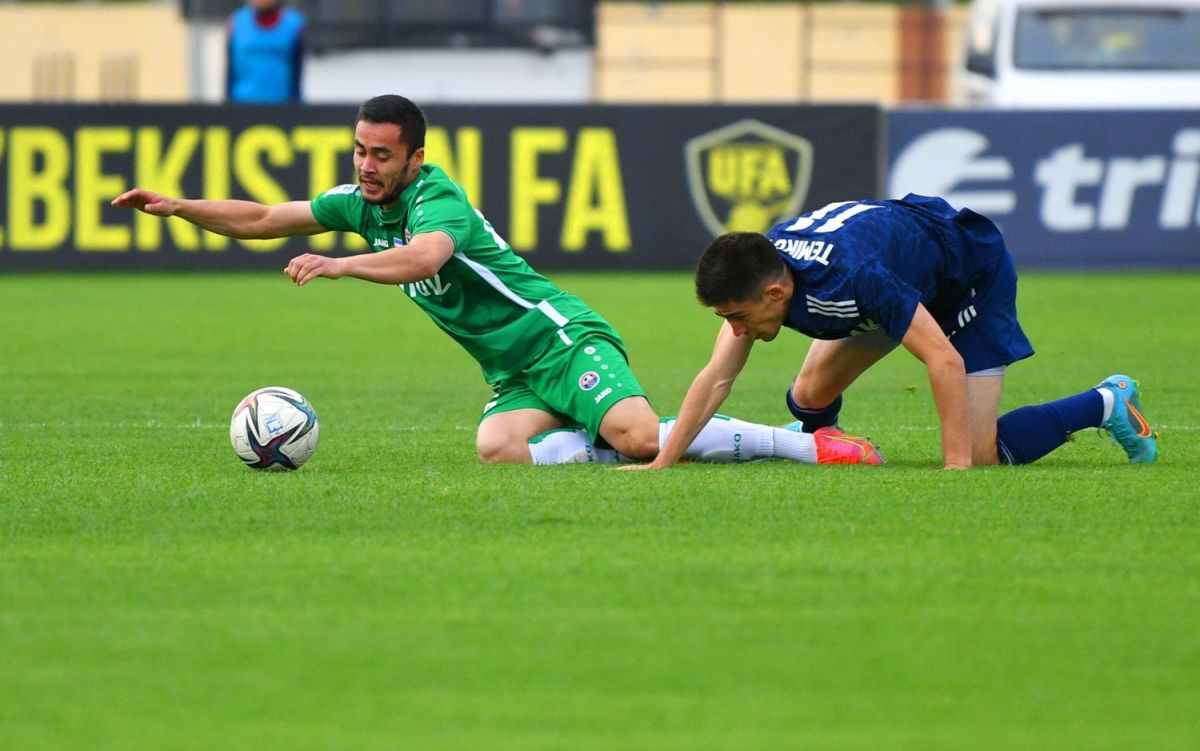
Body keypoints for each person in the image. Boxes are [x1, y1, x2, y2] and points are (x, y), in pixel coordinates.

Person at [111, 95, 883, 467]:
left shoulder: (434, 197)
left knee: (645, 439)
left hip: (555, 335)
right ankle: (604, 434)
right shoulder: (358, 203)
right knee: (499, 451)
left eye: (381, 155)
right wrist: (180, 207)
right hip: (511, 368)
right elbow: (261, 217)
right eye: (359, 151)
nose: (365, 166)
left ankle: (793, 445)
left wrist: (340, 264)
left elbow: (429, 257)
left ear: (413, 156)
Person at [632, 193, 1158, 471]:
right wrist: (663, 461)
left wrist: (955, 469)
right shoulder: (766, 272)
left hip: (967, 274)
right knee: (809, 396)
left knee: (980, 453)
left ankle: (1106, 403)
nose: (736, 331)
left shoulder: (854, 278)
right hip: (901, 276)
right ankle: (831, 447)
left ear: (774, 295)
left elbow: (943, 360)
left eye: (736, 318)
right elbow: (716, 378)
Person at [226, 0, 306, 104]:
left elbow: (297, 71)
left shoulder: (293, 24)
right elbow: (230, 70)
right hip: (242, 104)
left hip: (281, 105)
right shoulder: (236, 22)